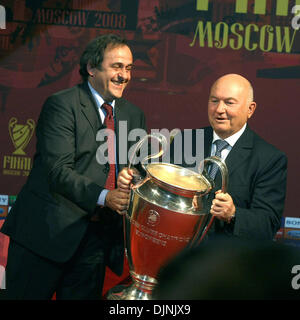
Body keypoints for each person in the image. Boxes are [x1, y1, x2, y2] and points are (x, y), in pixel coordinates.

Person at [1, 33, 146, 299]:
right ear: (91, 68)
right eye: (116, 67)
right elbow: (57, 171)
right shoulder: (62, 105)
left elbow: (135, 168)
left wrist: (132, 176)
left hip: (95, 242)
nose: (124, 75)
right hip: (45, 235)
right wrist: (106, 196)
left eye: (128, 68)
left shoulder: (133, 114)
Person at [119, 73, 287, 241]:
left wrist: (233, 214)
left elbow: (268, 224)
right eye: (214, 101)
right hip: (177, 254)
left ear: (250, 109)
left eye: (229, 102)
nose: (219, 109)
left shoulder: (269, 159)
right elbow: (160, 190)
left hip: (228, 260)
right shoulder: (186, 140)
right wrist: (134, 178)